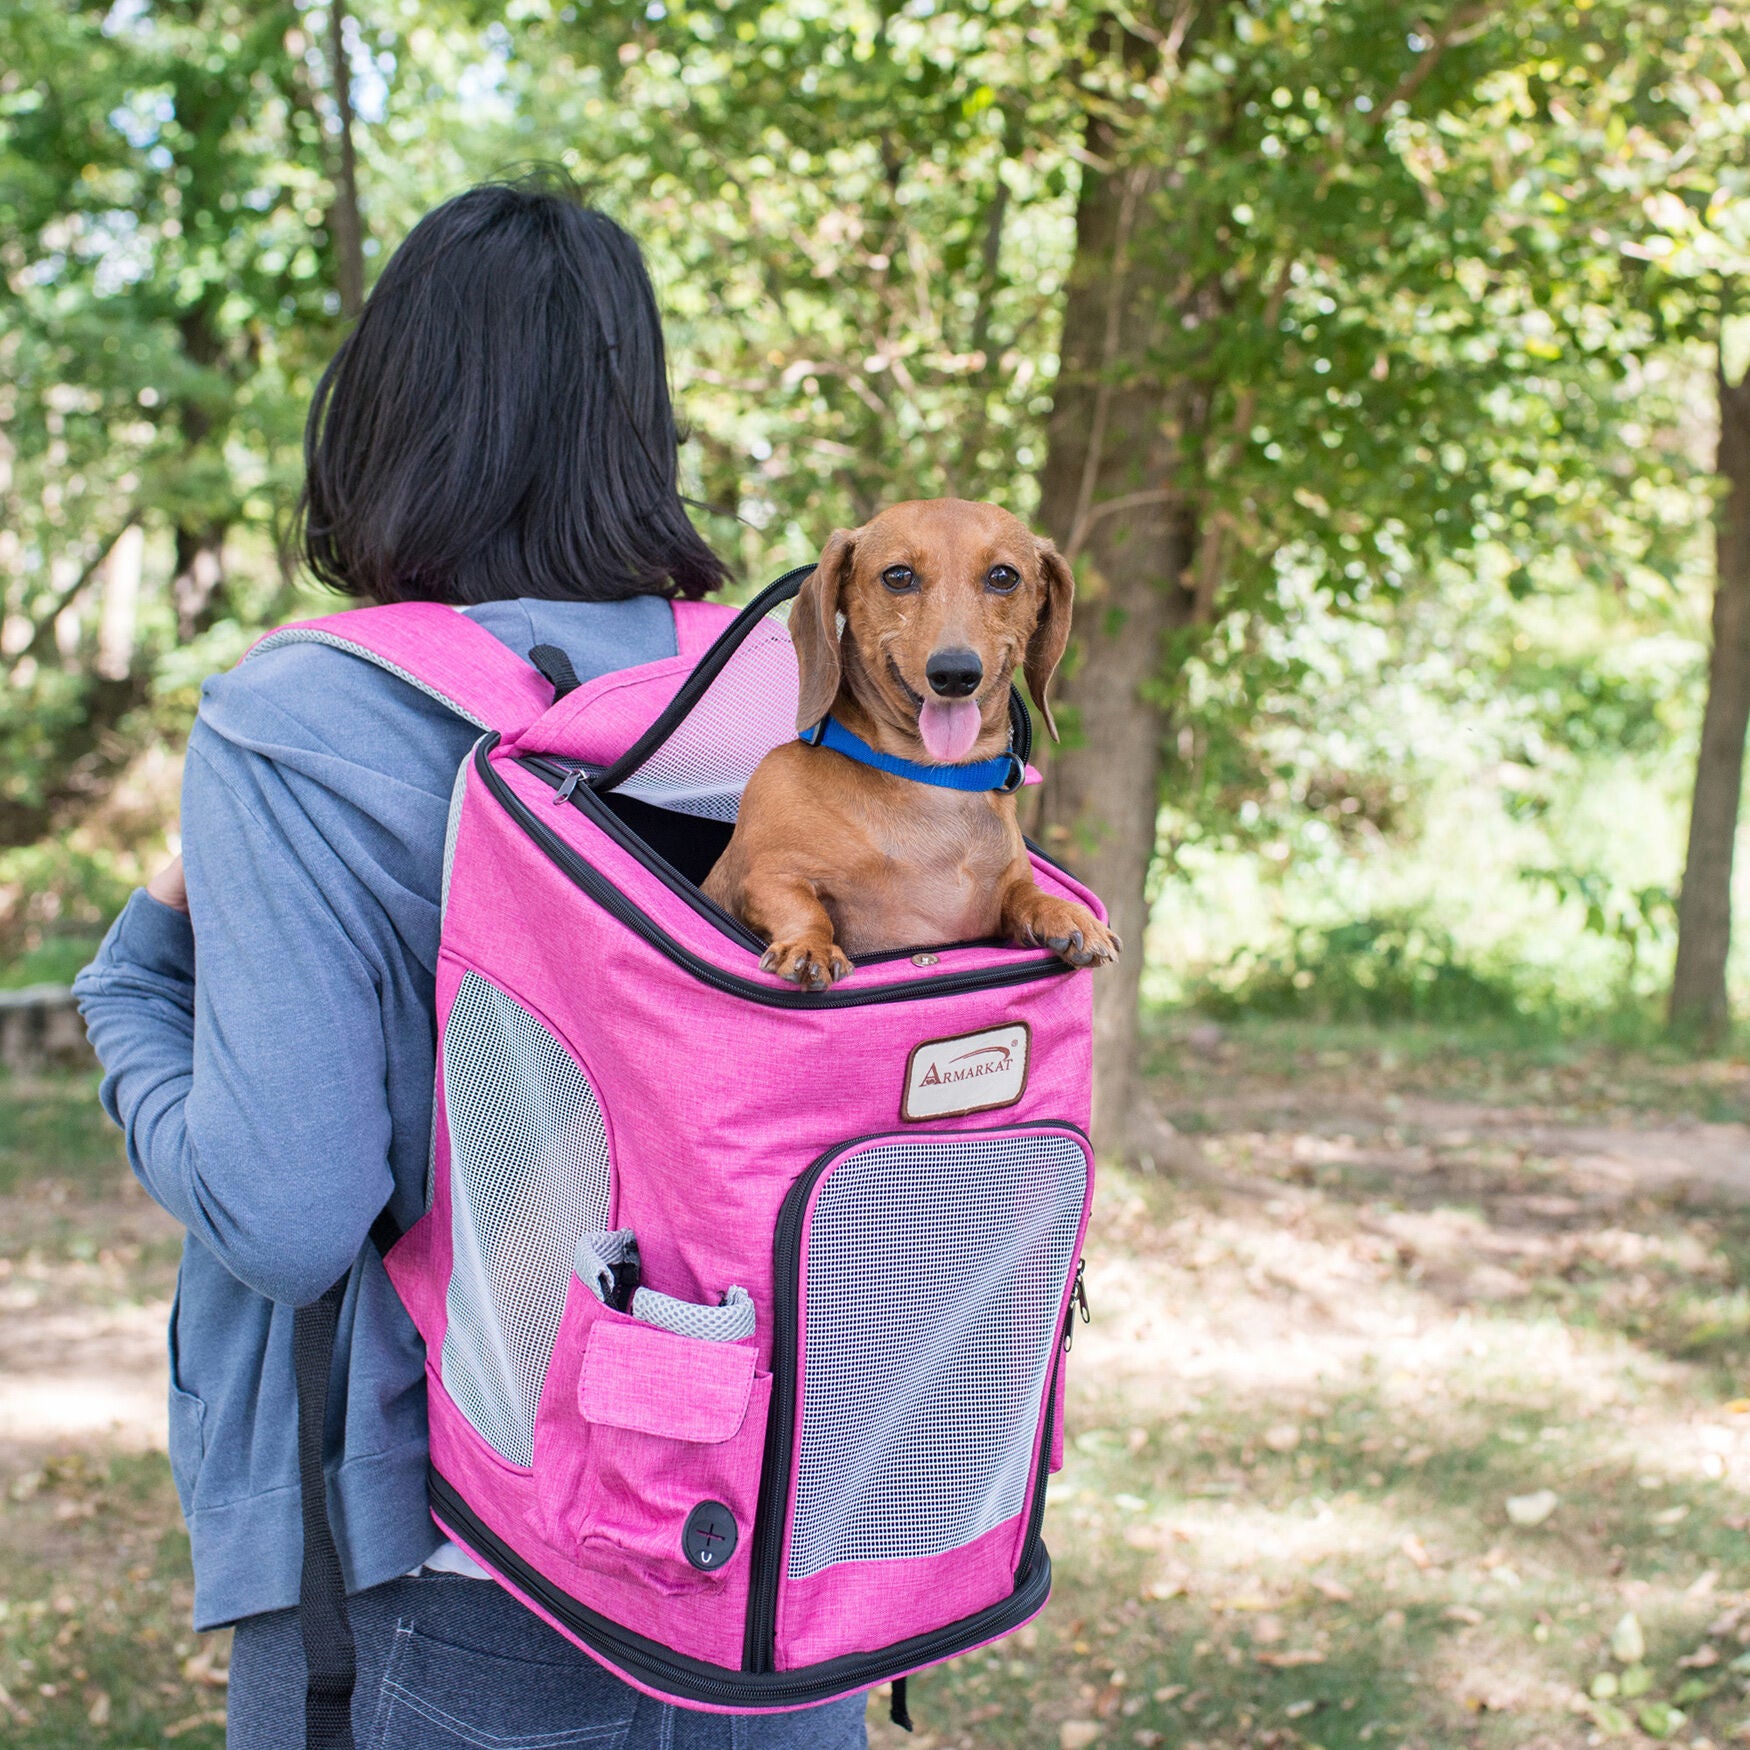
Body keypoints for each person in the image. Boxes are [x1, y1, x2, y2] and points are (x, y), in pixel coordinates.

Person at [74, 173, 870, 1750]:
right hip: (765, 1554)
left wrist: (127, 995)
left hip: (454, 1558)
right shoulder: (777, 696)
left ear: (385, 413)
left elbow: (290, 1215)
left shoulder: (304, 714)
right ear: (637, 420)